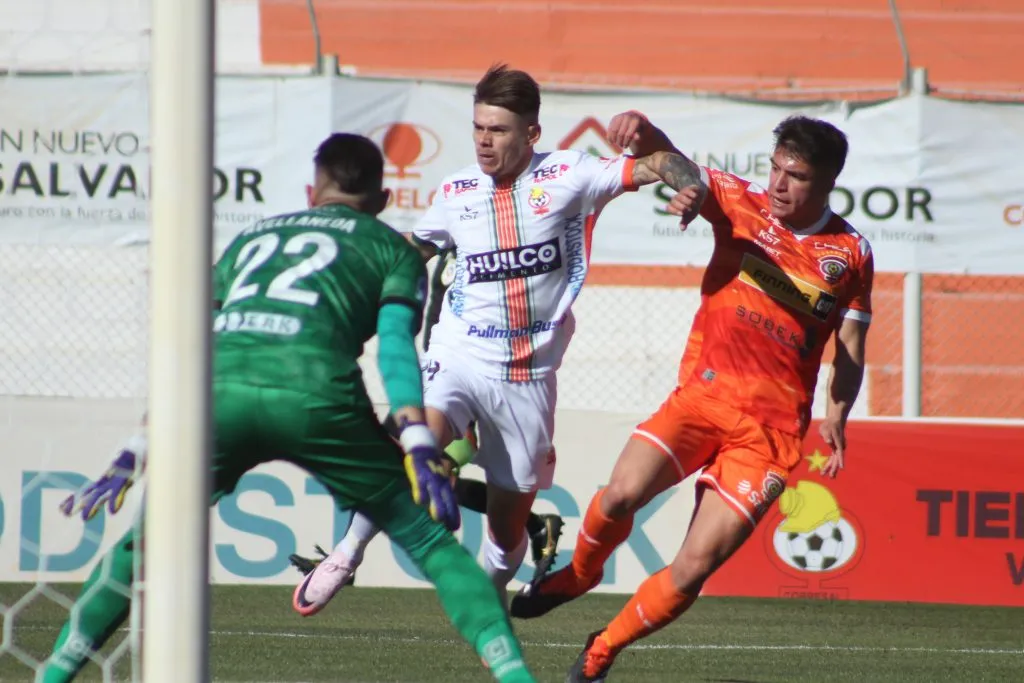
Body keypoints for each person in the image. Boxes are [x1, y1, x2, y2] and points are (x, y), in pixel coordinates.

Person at [44, 133, 537, 683]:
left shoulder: (252, 237)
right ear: (380, 201)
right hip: (316, 398)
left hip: (219, 397)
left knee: (142, 544)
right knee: (429, 542)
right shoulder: (392, 248)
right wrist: (418, 441)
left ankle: (53, 674)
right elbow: (396, 347)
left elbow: (188, 343)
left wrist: (138, 447)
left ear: (312, 190)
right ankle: (514, 675)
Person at [291, 64, 710, 616]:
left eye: (499, 130)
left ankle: (486, 596)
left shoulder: (571, 174)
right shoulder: (456, 190)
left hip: (527, 378)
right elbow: (414, 250)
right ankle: (346, 554)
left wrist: (691, 187)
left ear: (531, 134)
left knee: (509, 525)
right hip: (458, 353)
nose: (485, 141)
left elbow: (657, 163)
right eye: (478, 128)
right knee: (416, 442)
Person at [509, 112, 874, 683]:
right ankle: (577, 575)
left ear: (827, 182)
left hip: (770, 437)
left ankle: (602, 649)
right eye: (776, 168)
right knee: (620, 496)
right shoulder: (738, 200)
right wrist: (646, 133)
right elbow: (672, 159)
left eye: (795, 176)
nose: (778, 184)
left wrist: (837, 415)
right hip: (700, 402)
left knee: (692, 568)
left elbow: (850, 345)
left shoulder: (851, 253)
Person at [288, 246, 566, 586]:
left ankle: (531, 526)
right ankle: (346, 553)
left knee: (424, 469)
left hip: (481, 378)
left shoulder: (504, 249)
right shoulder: (456, 230)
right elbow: (432, 299)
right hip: (445, 372)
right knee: (408, 463)